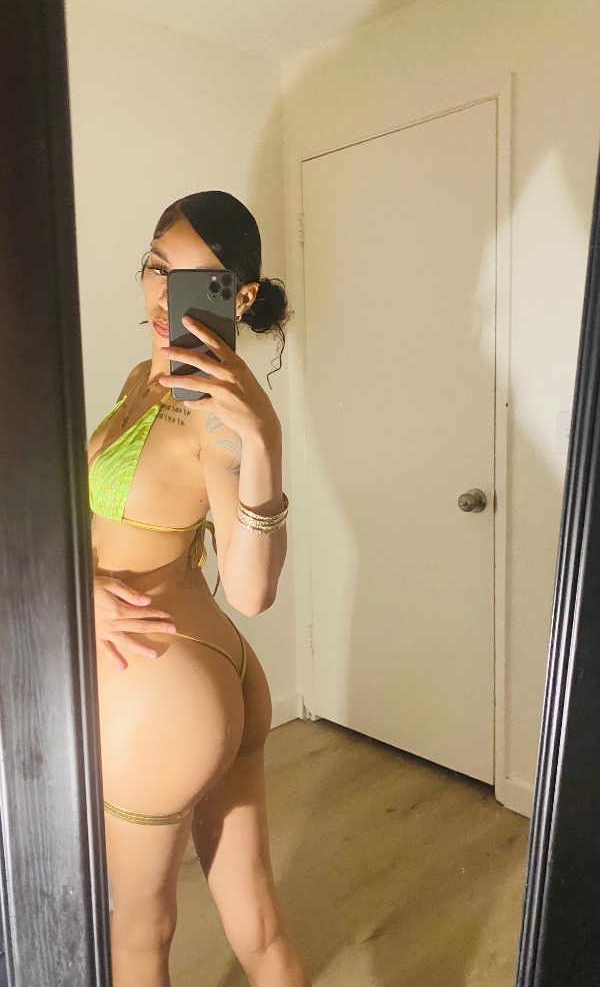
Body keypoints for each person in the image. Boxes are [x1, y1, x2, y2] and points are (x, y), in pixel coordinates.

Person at [88, 191, 309, 987]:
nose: (162, 296)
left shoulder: (219, 419)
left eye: (192, 281)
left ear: (236, 300)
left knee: (137, 931)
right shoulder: (141, 377)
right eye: (156, 268)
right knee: (256, 919)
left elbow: (249, 590)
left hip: (161, 681)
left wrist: (263, 441)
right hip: (203, 670)